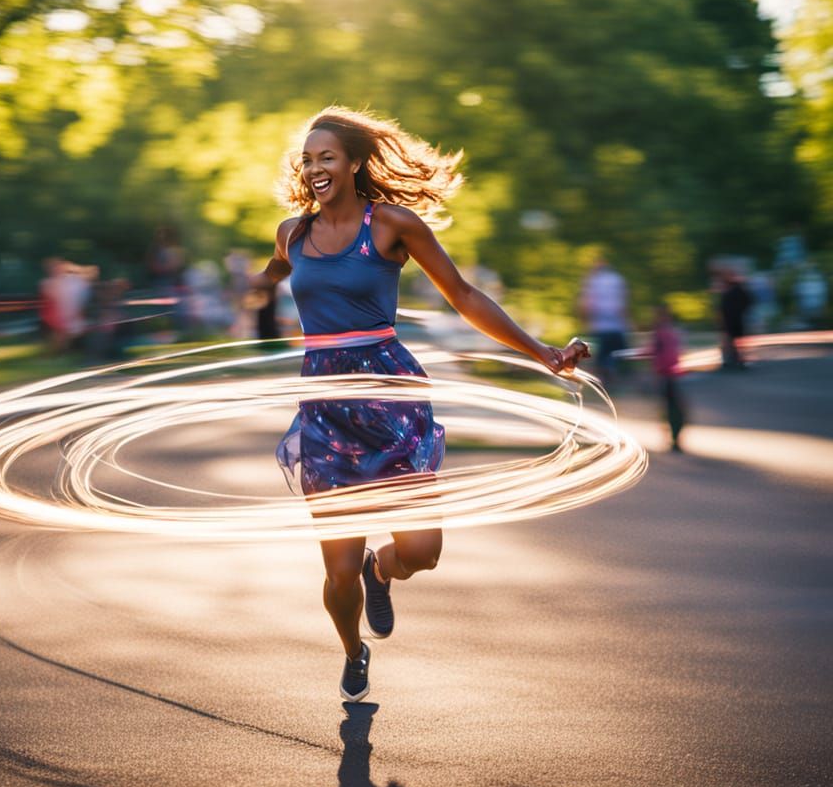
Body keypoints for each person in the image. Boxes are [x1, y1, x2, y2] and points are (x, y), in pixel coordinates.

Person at [251, 107, 589, 703]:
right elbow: (275, 272)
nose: (315, 168)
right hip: (326, 406)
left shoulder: (391, 226)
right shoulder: (292, 234)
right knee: (334, 569)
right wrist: (258, 288)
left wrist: (543, 352)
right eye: (307, 159)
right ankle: (354, 651)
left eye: (327, 157)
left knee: (421, 551)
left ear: (354, 163)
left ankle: (382, 570)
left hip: (389, 395)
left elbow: (461, 294)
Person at [579, 257, 629, 387]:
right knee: (615, 355)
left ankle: (603, 382)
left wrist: (585, 321)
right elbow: (623, 303)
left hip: (599, 327)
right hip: (617, 326)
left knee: (601, 356)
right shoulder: (617, 279)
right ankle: (613, 378)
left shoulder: (592, 281)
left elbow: (587, 304)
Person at [651, 305, 686, 452]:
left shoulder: (663, 333)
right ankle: (673, 438)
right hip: (668, 374)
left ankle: (674, 438)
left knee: (672, 408)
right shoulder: (672, 332)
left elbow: (656, 353)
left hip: (670, 375)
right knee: (671, 408)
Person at [717, 269, 753, 370]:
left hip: (731, 320)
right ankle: (736, 361)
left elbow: (724, 307)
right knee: (735, 342)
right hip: (735, 319)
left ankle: (732, 361)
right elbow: (747, 302)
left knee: (731, 342)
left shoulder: (732, 291)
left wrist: (739, 311)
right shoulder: (737, 290)